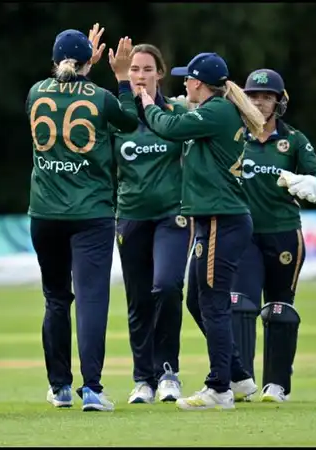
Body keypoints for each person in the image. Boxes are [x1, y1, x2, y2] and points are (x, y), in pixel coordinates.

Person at [130, 52, 266, 410]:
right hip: (214, 219)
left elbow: (170, 127)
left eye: (187, 79)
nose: (184, 84)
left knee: (213, 303)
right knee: (197, 299)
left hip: (223, 219)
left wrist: (146, 102)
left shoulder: (217, 111)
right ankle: (238, 376)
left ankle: (219, 388)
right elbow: (181, 122)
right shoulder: (211, 112)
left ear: (199, 83)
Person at [27, 25, 139, 412]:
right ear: (90, 61)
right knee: (91, 299)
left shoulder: (35, 92)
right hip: (90, 213)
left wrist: (84, 61)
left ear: (54, 61)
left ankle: (59, 387)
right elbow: (128, 121)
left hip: (44, 213)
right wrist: (123, 78)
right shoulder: (102, 97)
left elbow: (66, 86)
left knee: (56, 299)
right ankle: (91, 389)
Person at [220, 68, 316, 403]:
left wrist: (310, 184)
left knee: (280, 309)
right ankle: (241, 380)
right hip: (243, 234)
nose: (260, 102)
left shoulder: (293, 139)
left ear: (279, 102)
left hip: (284, 234)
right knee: (240, 305)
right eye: (253, 96)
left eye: (267, 97)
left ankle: (277, 385)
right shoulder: (232, 135)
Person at [111, 43, 191, 405]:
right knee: (138, 300)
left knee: (168, 286)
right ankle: (142, 379)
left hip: (172, 215)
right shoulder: (118, 118)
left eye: (146, 69)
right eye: (134, 70)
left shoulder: (177, 111)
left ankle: (168, 372)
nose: (140, 76)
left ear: (160, 73)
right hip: (130, 216)